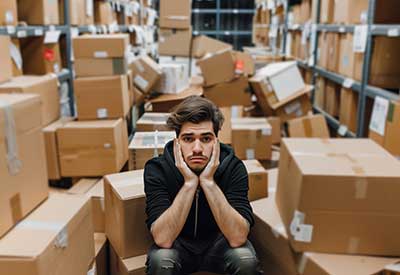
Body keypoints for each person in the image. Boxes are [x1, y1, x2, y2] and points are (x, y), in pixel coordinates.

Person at [144, 96, 263, 275]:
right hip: (178, 244)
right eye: (188, 139)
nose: (197, 148)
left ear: (216, 141)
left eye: (206, 139)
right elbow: (163, 239)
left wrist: (208, 182)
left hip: (219, 243)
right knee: (161, 260)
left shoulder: (234, 167)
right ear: (177, 143)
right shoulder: (157, 169)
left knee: (245, 259)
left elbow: (238, 237)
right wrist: (190, 183)